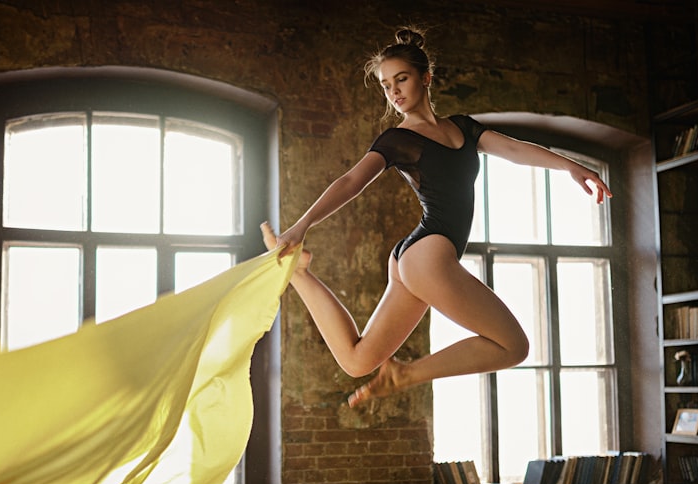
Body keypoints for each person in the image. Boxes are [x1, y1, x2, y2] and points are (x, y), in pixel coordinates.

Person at [262, 26, 612, 408]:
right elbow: (350, 182)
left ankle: (300, 274)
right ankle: (405, 374)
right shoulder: (397, 141)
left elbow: (513, 148)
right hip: (428, 253)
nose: (394, 91)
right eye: (385, 85)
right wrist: (301, 226)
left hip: (416, 256)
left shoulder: (463, 127)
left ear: (425, 78)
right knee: (514, 346)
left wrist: (571, 167)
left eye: (402, 79)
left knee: (357, 359)